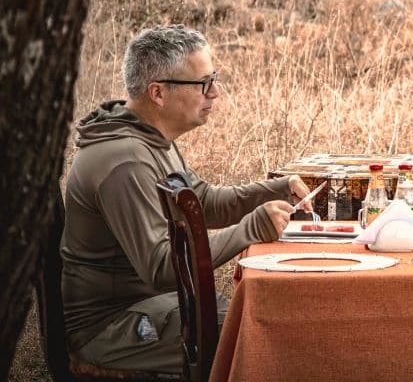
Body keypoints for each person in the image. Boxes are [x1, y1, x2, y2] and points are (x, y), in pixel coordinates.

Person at [62, 24, 313, 374]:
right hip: (111, 327)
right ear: (158, 93)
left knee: (269, 318)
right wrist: (249, 229)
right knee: (264, 334)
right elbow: (163, 269)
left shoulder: (149, 137)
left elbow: (203, 202)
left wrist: (276, 188)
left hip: (152, 305)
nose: (216, 93)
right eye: (204, 84)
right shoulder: (126, 162)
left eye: (215, 79)